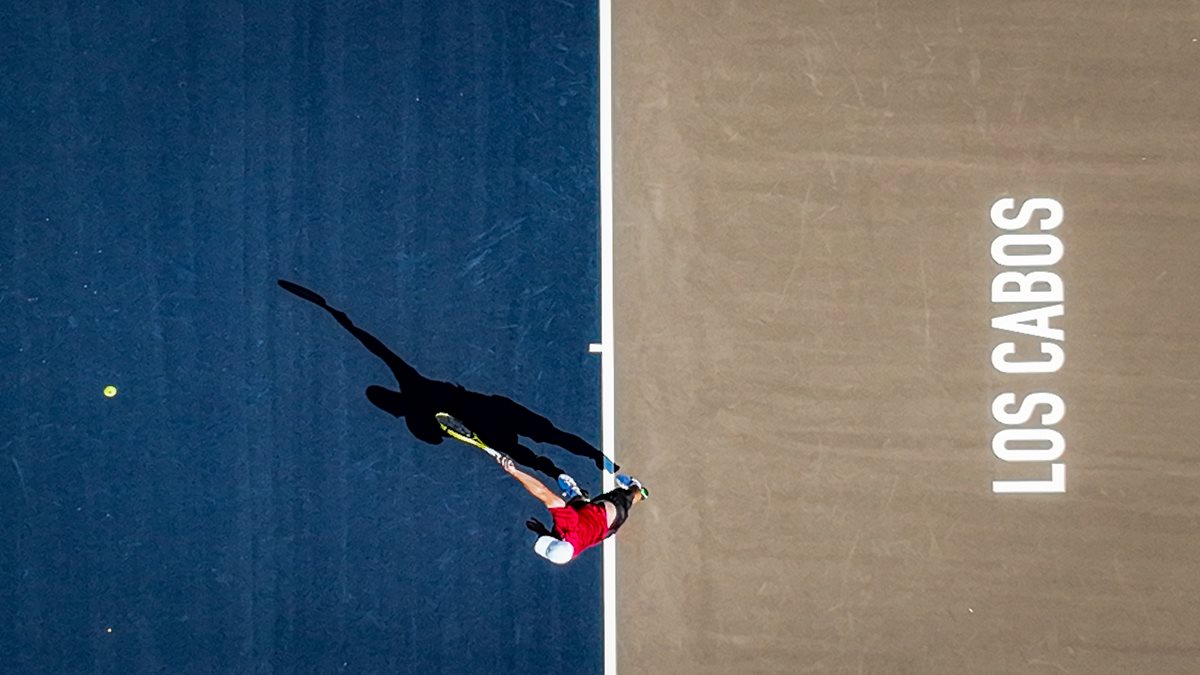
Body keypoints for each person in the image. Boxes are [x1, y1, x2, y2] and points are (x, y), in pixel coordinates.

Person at [493, 453, 648, 564]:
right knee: (631, 496)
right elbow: (543, 493)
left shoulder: (568, 553)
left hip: (601, 528)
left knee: (574, 508)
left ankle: (578, 495)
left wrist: (543, 532)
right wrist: (514, 472)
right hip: (611, 510)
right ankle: (637, 488)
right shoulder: (568, 527)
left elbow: (560, 539)